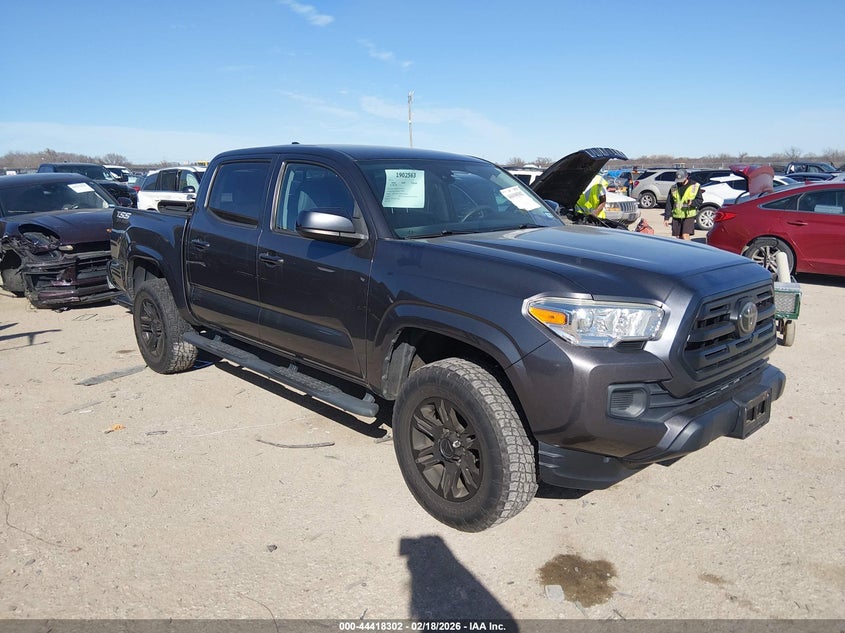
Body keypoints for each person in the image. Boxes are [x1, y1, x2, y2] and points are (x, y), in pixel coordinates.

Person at [663, 168, 702, 240]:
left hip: (688, 215)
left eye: (682, 180)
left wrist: (692, 203)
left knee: (685, 235)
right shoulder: (674, 188)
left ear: (686, 176)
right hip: (677, 215)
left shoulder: (695, 186)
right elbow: (669, 203)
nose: (680, 182)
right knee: (679, 237)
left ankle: (689, 251)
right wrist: (666, 217)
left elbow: (700, 200)